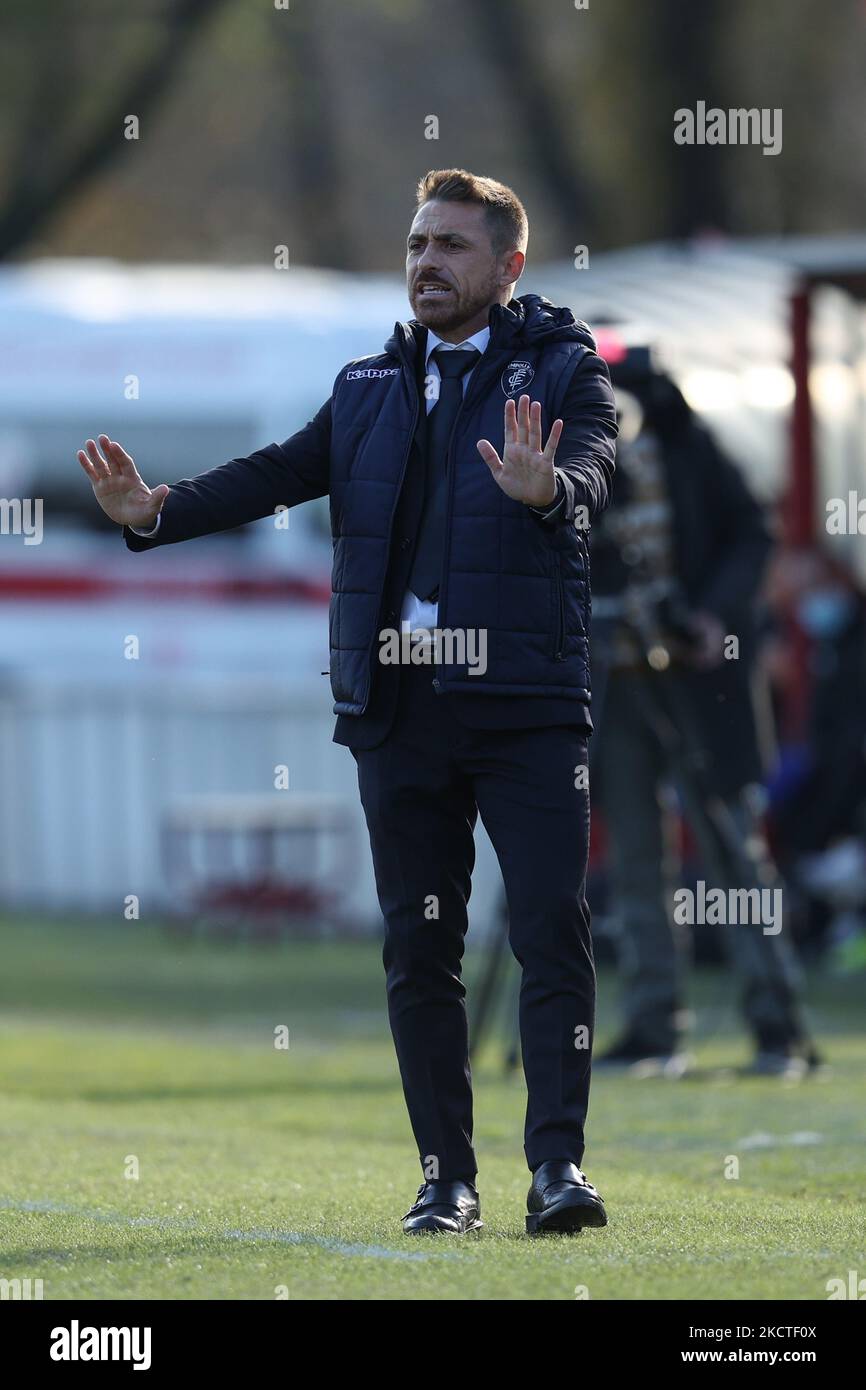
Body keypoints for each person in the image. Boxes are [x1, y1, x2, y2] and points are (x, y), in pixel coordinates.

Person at [77, 169, 618, 1236]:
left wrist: (547, 490)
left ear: (506, 267)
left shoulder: (564, 371)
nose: (426, 263)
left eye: (452, 247)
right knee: (418, 947)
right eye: (417, 243)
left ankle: (557, 1170)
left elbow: (594, 472)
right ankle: (444, 1180)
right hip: (399, 710)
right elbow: (275, 473)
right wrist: (154, 512)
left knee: (551, 928)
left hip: (524, 703)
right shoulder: (369, 381)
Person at [589, 344, 814, 1077]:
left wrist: (716, 614)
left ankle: (778, 1026)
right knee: (635, 855)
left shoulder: (692, 447)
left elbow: (755, 532)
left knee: (733, 852)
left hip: (698, 678)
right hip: (614, 677)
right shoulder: (575, 451)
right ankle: (656, 1029)